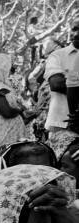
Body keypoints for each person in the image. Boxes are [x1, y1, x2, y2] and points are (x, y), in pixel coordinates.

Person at [44, 18, 79, 155]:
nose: (76, 34)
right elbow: (56, 83)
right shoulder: (58, 55)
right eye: (74, 29)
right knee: (60, 170)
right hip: (62, 127)